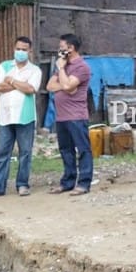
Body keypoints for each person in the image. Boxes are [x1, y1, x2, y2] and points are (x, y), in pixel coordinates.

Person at [0, 36, 42, 198]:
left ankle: (22, 185)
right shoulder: (4, 66)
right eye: (18, 49)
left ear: (30, 51)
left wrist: (12, 81)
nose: (20, 52)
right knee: (2, 152)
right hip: (6, 116)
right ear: (14, 49)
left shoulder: (35, 70)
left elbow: (31, 89)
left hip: (26, 117)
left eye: (24, 49)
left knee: (25, 152)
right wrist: (20, 84)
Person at [45, 33, 93, 196]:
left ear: (71, 48)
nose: (60, 51)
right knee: (66, 150)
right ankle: (68, 182)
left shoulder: (82, 67)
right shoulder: (64, 66)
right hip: (61, 116)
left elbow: (68, 86)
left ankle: (84, 183)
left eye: (62, 48)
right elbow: (50, 86)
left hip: (77, 116)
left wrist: (61, 72)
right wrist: (64, 83)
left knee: (83, 149)